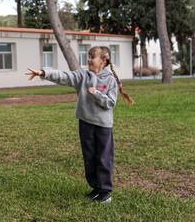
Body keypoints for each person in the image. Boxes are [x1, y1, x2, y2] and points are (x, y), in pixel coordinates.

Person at [26, 46, 133, 203]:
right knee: (89, 156)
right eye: (88, 56)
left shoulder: (109, 80)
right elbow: (64, 76)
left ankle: (104, 191)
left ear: (103, 60)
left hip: (103, 126)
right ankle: (95, 187)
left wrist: (96, 94)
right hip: (85, 123)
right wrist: (43, 73)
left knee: (103, 157)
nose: (88, 59)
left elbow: (110, 103)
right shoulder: (83, 76)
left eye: (92, 57)